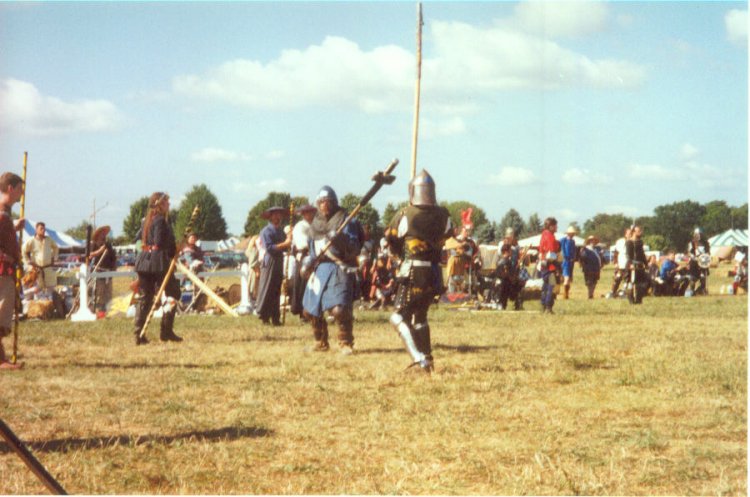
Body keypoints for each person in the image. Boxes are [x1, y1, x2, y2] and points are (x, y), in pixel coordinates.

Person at [385, 169, 452, 372]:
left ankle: (419, 357)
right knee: (420, 316)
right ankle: (428, 360)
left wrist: (398, 254)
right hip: (434, 274)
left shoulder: (406, 213)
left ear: (412, 190)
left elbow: (391, 237)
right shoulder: (444, 215)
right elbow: (449, 234)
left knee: (397, 317)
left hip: (414, 272)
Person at [302, 186, 363, 354]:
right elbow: (311, 248)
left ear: (334, 202)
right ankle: (320, 342)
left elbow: (355, 247)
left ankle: (345, 343)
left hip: (339, 267)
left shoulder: (346, 220)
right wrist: (308, 262)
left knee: (339, 310)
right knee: (309, 309)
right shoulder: (316, 223)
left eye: (327, 201)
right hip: (321, 267)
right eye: (321, 202)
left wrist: (340, 239)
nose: (324, 205)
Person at [132, 192, 182, 345]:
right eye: (167, 202)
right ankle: (166, 331)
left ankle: (138, 334)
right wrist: (175, 249)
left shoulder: (146, 221)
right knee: (173, 292)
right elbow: (160, 242)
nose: (169, 205)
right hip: (157, 262)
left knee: (145, 298)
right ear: (160, 204)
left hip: (144, 261)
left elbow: (139, 239)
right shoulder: (160, 220)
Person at [0, 172, 25, 369]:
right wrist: (4, 257)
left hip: (5, 270)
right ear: (10, 188)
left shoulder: (5, 214)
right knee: (1, 314)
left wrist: (13, 229)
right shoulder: (1, 213)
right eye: (19, 189)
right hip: (2, 271)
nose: (21, 193)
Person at [255, 206, 293, 326]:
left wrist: (289, 239)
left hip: (279, 261)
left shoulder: (281, 231)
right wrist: (285, 243)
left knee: (276, 289)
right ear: (270, 217)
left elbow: (287, 246)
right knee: (267, 288)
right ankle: (264, 316)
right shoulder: (266, 231)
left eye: (279, 215)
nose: (277, 217)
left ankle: (275, 318)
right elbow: (270, 248)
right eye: (275, 215)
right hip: (269, 261)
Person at [290, 204, 316, 317]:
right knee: (303, 286)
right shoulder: (300, 226)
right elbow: (302, 243)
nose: (310, 214)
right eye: (307, 212)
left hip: (315, 257)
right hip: (304, 257)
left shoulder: (315, 225)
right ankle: (302, 312)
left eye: (311, 212)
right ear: (303, 214)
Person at [22, 221, 59, 296]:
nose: (43, 230)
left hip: (47, 268)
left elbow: (56, 248)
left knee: (51, 287)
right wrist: (28, 262)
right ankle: (28, 298)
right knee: (37, 289)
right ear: (36, 229)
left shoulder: (48, 240)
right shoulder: (31, 240)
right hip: (37, 269)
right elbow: (24, 250)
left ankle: (49, 304)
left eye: (44, 229)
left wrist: (54, 258)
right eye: (41, 229)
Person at [89, 225, 117, 318]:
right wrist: (101, 250)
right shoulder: (93, 244)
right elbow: (90, 255)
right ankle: (99, 312)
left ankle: (108, 312)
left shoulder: (108, 245)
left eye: (105, 233)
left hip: (108, 272)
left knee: (108, 293)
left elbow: (113, 257)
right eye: (102, 233)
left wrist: (114, 267)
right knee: (99, 294)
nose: (104, 235)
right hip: (98, 271)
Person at [497, 228, 525, 310]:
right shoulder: (502, 243)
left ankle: (518, 304)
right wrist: (507, 246)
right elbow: (501, 254)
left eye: (512, 236)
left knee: (519, 285)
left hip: (513, 269)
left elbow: (518, 257)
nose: (510, 237)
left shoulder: (516, 245)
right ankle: (502, 304)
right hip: (504, 270)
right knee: (504, 286)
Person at [538, 217, 560, 314]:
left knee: (545, 286)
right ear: (551, 226)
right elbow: (551, 254)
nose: (556, 227)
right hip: (550, 266)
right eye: (555, 225)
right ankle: (548, 307)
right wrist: (557, 266)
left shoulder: (543, 235)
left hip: (544, 265)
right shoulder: (550, 236)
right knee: (551, 286)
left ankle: (543, 305)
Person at [626, 225, 648, 304]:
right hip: (632, 265)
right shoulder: (629, 242)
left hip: (640, 265)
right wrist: (630, 264)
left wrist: (646, 263)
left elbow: (642, 254)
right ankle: (631, 300)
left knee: (641, 283)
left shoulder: (640, 242)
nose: (640, 232)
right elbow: (629, 254)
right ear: (634, 232)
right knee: (631, 282)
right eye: (638, 231)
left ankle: (639, 299)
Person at [687, 227, 711, 295]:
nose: (699, 236)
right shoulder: (692, 243)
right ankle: (692, 292)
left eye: (700, 234)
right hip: (694, 263)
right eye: (697, 234)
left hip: (703, 263)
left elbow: (708, 253)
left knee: (703, 279)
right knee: (692, 280)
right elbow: (689, 253)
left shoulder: (706, 243)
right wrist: (695, 258)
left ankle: (699, 291)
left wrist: (705, 257)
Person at [608, 227, 631, 298]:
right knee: (617, 278)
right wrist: (616, 263)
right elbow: (616, 253)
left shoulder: (633, 242)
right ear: (625, 234)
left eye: (631, 233)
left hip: (629, 265)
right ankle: (612, 292)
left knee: (627, 280)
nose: (630, 235)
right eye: (628, 233)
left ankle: (624, 292)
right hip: (620, 264)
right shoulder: (620, 242)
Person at [559, 226, 577, 299]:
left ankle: (566, 294)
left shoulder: (573, 241)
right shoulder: (563, 240)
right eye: (570, 233)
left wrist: (573, 258)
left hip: (571, 261)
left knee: (569, 277)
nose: (572, 234)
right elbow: (561, 248)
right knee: (566, 277)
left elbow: (574, 251)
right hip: (565, 260)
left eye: (572, 233)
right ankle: (565, 294)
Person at [244, 235, 260, 308]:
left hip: (252, 270)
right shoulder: (254, 249)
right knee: (254, 287)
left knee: (252, 286)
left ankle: (253, 303)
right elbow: (253, 263)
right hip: (255, 270)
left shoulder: (250, 249)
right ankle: (254, 304)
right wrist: (257, 272)